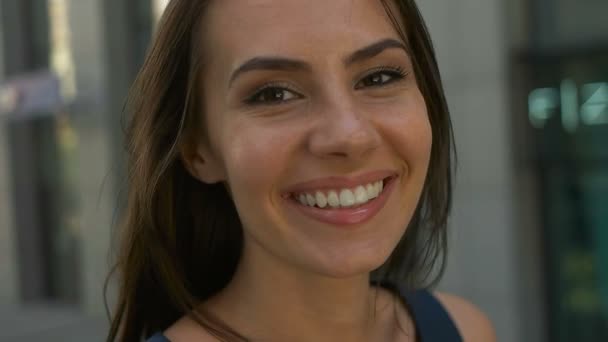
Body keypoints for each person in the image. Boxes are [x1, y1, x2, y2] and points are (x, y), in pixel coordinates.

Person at [106, 0, 497, 341]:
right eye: (274, 94)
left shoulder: (465, 330)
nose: (349, 136)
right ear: (197, 151)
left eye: (379, 77)